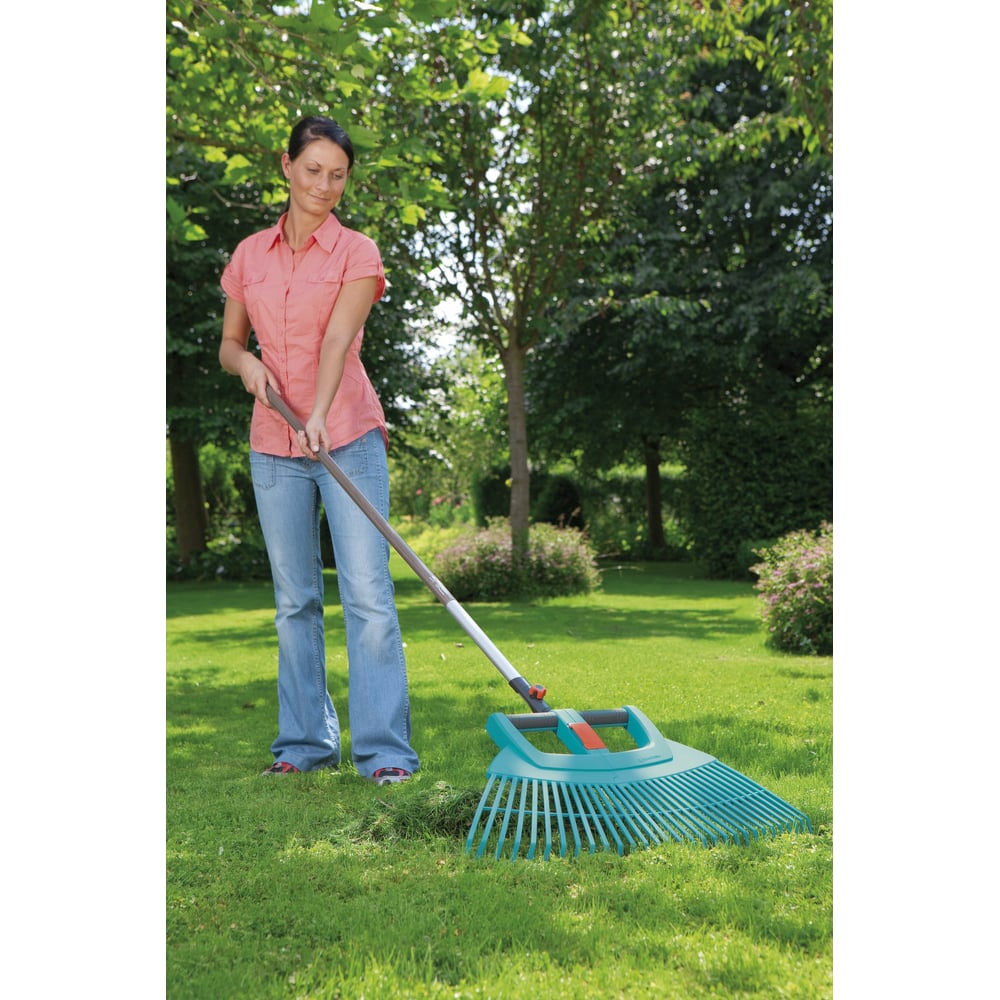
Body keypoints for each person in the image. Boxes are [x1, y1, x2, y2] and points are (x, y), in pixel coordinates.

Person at [218, 115, 420, 785]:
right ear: (287, 166)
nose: (324, 185)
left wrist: (320, 414)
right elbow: (229, 344)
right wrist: (247, 364)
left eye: (338, 175)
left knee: (367, 595)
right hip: (273, 443)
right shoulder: (250, 255)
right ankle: (304, 745)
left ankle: (385, 754)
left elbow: (338, 340)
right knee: (294, 600)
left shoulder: (357, 253)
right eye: (313, 170)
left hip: (346, 436)